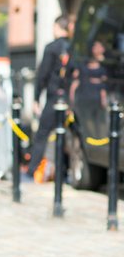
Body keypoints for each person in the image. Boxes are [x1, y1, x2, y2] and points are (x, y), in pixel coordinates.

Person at [25, 15, 75, 180]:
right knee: (66, 135)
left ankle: (32, 170)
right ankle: (64, 171)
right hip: (70, 98)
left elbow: (42, 75)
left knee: (42, 135)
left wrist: (36, 97)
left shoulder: (52, 48)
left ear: (57, 28)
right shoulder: (74, 47)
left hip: (54, 97)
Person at [70, 40, 107, 110]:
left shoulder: (105, 66)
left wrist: (103, 100)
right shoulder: (84, 64)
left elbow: (103, 85)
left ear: (103, 49)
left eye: (98, 47)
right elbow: (75, 80)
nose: (95, 48)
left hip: (96, 101)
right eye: (94, 46)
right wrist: (72, 100)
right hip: (83, 98)